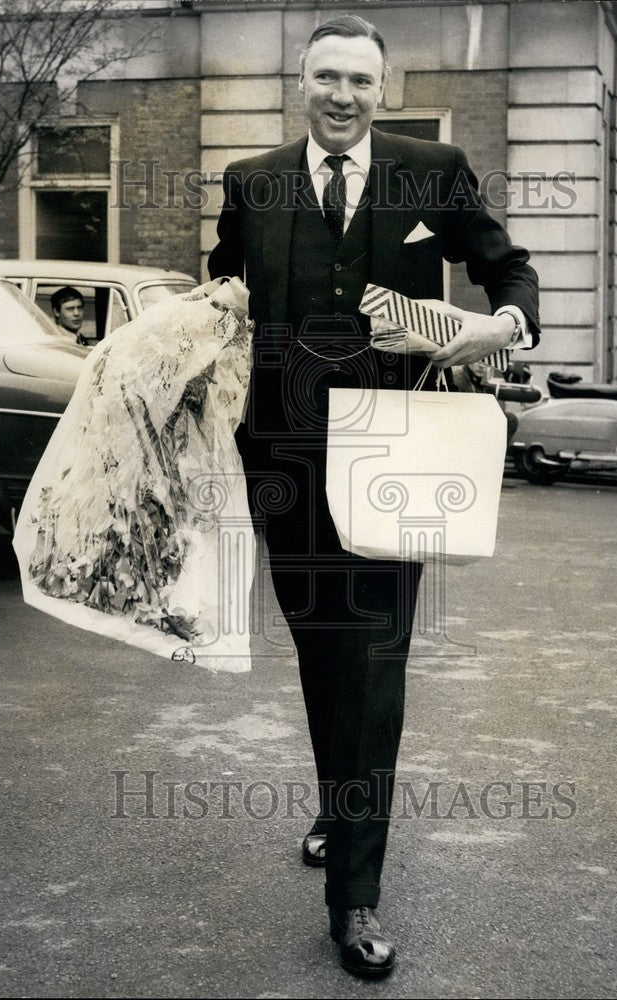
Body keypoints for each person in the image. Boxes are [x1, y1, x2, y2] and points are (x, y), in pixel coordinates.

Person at [208, 13, 540, 979]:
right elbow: (225, 291)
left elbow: (505, 267)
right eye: (326, 79)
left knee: (374, 670)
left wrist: (494, 328)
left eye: (359, 80)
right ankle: (333, 806)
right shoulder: (253, 182)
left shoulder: (431, 170)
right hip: (279, 465)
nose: (342, 96)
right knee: (320, 651)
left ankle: (354, 896)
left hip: (398, 457)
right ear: (299, 84)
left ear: (382, 89)